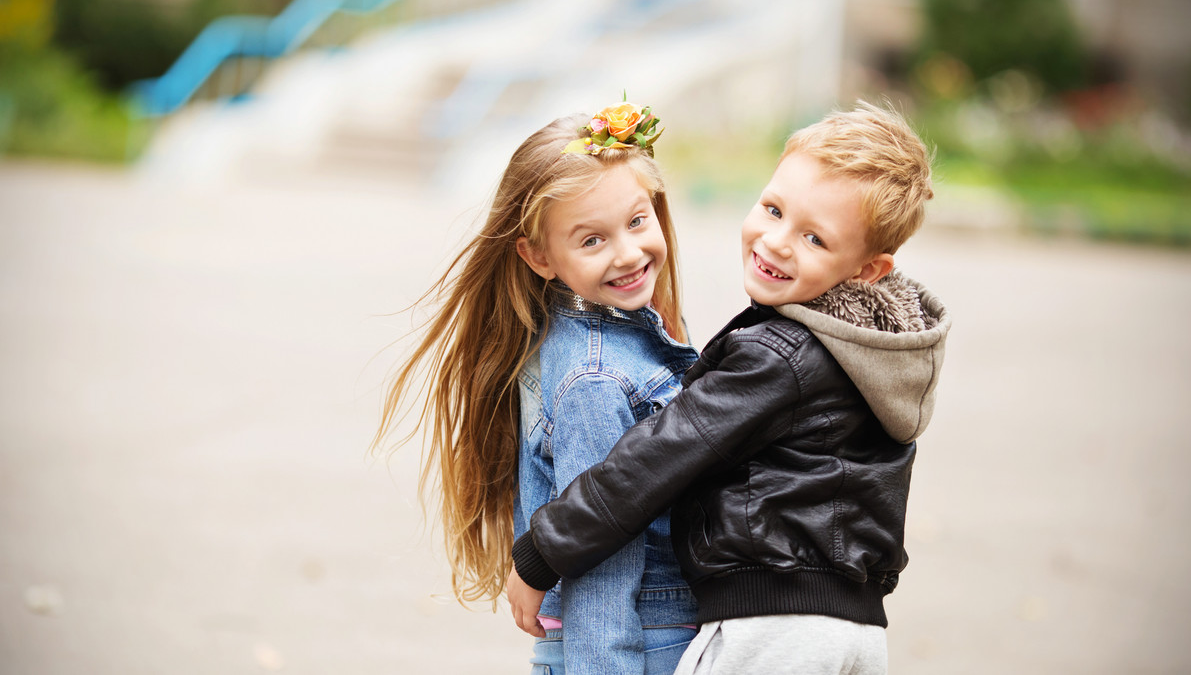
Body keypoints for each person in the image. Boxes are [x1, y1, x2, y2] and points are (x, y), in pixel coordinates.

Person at [507, 101, 952, 674]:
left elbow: (654, 460)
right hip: (853, 628)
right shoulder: (864, 347)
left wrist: (541, 553)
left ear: (868, 269)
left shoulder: (782, 357)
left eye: (815, 238)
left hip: (775, 628)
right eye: (773, 209)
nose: (777, 241)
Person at [373, 101, 699, 674]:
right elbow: (601, 558)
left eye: (637, 221)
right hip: (639, 643)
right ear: (539, 256)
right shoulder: (595, 379)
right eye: (591, 241)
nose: (628, 252)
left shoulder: (587, 333)